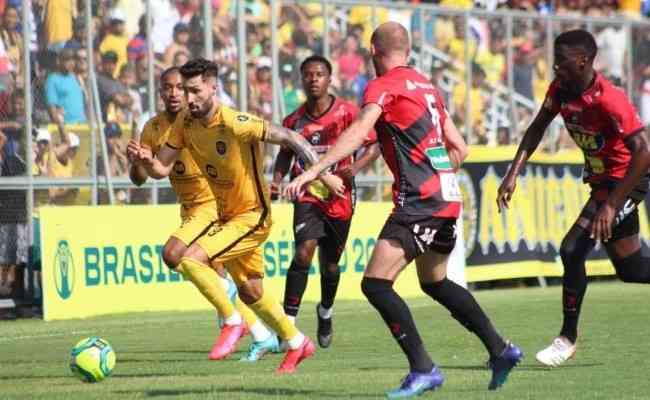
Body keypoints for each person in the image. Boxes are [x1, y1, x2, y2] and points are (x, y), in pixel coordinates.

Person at [284, 22, 522, 397]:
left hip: (418, 201)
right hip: (445, 196)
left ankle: (423, 368)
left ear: (372, 52)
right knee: (436, 282)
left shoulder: (382, 86)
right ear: (408, 51)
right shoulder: (428, 87)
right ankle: (501, 349)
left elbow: (361, 131)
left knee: (376, 284)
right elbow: (460, 148)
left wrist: (314, 169)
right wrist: (436, 171)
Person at [128, 58, 344, 373]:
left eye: (195, 90)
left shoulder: (235, 121)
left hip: (252, 216)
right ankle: (297, 343)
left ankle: (233, 322)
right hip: (227, 217)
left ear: (214, 87)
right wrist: (146, 159)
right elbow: (160, 170)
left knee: (189, 259)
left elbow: (290, 138)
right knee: (250, 289)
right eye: (185, 91)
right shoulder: (185, 121)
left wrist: (321, 175)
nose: (189, 99)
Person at [497, 29, 650, 368]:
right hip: (601, 183)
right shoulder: (561, 90)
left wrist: (611, 205)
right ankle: (567, 338)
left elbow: (643, 153)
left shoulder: (610, 98)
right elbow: (537, 127)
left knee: (571, 249)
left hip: (627, 180)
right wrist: (513, 173)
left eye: (561, 61)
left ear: (582, 60)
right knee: (633, 269)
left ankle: (566, 339)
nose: (554, 67)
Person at [128, 66, 280, 362]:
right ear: (159, 92)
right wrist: (137, 160)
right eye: (167, 88)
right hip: (189, 208)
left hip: (212, 204)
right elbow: (143, 177)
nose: (174, 94)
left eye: (179, 88)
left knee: (174, 255)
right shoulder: (153, 127)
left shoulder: (197, 122)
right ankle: (263, 335)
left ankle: (237, 321)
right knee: (226, 280)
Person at [272, 54, 380, 349]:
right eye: (308, 74)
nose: (314, 79)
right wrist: (276, 180)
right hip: (307, 193)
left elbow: (373, 146)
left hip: (340, 194)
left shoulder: (347, 112)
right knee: (303, 252)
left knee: (330, 264)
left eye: (319, 74)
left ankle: (326, 311)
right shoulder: (293, 121)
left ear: (329, 79)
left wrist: (353, 170)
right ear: (302, 80)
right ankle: (288, 326)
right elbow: (285, 152)